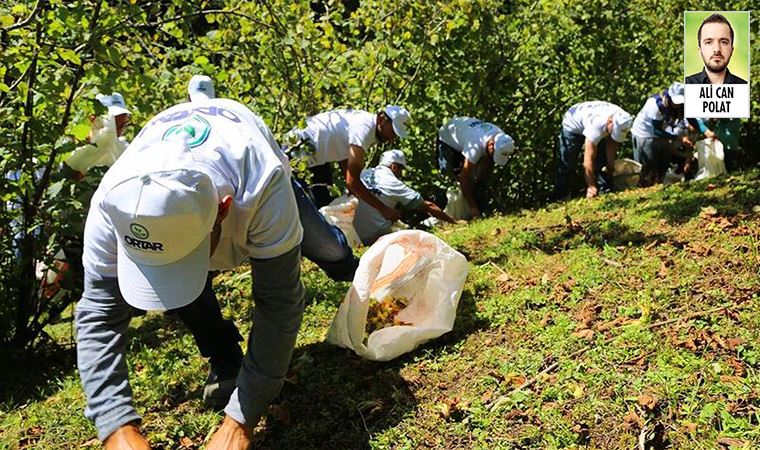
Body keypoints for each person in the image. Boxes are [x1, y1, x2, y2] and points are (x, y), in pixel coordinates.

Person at [75, 98, 333, 449]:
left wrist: (240, 422)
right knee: (185, 293)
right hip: (188, 165)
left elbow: (279, 302)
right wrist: (116, 427)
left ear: (223, 211)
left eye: (184, 256)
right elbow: (99, 316)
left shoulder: (261, 185)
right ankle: (227, 358)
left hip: (251, 158)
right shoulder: (111, 204)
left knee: (327, 247)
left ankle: (355, 271)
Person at [286, 106, 410, 220]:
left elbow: (345, 156)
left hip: (315, 157)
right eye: (393, 131)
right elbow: (352, 181)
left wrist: (353, 192)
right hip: (296, 152)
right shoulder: (364, 129)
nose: (392, 138)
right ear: (382, 119)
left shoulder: (364, 123)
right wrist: (384, 210)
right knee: (307, 211)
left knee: (324, 206)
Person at [353, 150, 458, 245]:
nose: (400, 175)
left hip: (354, 235)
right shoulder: (393, 182)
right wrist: (452, 222)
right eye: (401, 170)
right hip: (374, 235)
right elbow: (427, 206)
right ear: (394, 166)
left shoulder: (362, 173)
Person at [436, 117, 514, 219]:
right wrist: (474, 211)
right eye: (494, 154)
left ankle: (477, 207)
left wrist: (478, 183)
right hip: (449, 136)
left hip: (466, 134)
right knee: (451, 177)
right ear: (491, 145)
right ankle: (447, 215)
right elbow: (464, 178)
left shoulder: (502, 139)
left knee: (478, 180)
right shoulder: (475, 146)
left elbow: (486, 166)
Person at [553, 101, 633, 199]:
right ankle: (560, 196)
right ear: (609, 122)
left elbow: (612, 144)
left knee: (602, 159)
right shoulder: (596, 125)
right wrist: (590, 186)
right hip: (573, 122)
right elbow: (588, 159)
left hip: (592, 121)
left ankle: (605, 191)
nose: (614, 134)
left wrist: (610, 165)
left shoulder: (623, 119)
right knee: (567, 161)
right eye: (613, 131)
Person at [631, 82, 694, 186]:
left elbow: (690, 120)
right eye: (676, 101)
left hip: (662, 133)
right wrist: (679, 138)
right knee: (648, 164)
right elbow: (656, 130)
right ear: (669, 96)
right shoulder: (655, 105)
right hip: (644, 134)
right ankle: (644, 186)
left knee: (663, 161)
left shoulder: (678, 107)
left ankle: (659, 183)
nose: (678, 104)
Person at [64, 92, 132, 179]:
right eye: (115, 125)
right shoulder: (69, 145)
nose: (119, 132)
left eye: (123, 125)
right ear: (93, 118)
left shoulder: (122, 148)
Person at [685, 13, 747, 85]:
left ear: (731, 50)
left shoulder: (745, 87)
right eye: (709, 42)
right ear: (700, 50)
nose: (717, 49)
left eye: (724, 42)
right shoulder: (686, 85)